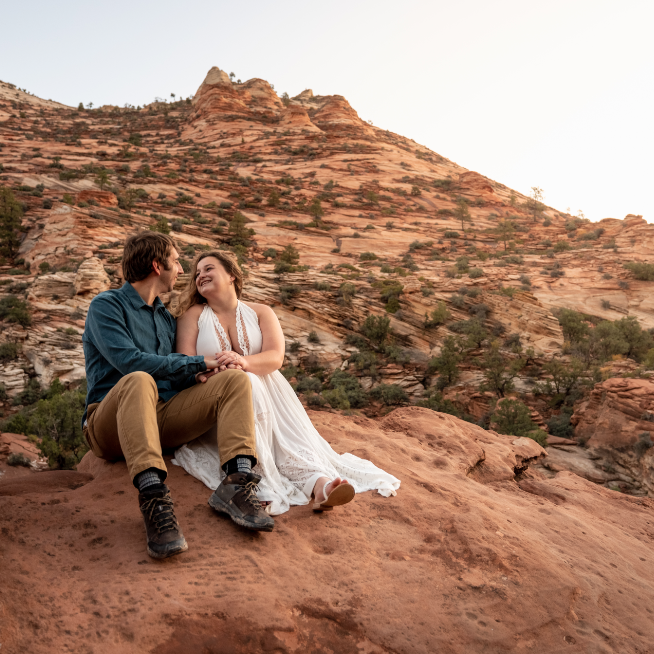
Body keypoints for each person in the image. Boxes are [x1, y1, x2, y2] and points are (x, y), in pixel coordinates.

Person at [82, 233, 274, 562]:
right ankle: (154, 497)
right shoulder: (107, 306)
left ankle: (237, 483)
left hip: (162, 418)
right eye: (176, 261)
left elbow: (177, 368)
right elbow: (130, 362)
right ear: (158, 266)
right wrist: (198, 362)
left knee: (233, 379)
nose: (182, 270)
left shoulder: (166, 318)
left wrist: (201, 374)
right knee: (139, 379)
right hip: (110, 424)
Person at [172, 250, 400, 515]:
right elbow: (186, 360)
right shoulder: (192, 315)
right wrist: (221, 366)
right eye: (197, 273)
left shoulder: (261, 312)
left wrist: (243, 362)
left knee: (290, 441)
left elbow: (275, 356)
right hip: (221, 399)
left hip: (269, 391)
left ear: (231, 274)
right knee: (247, 386)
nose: (201, 276)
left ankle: (320, 485)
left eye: (208, 269)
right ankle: (259, 483)